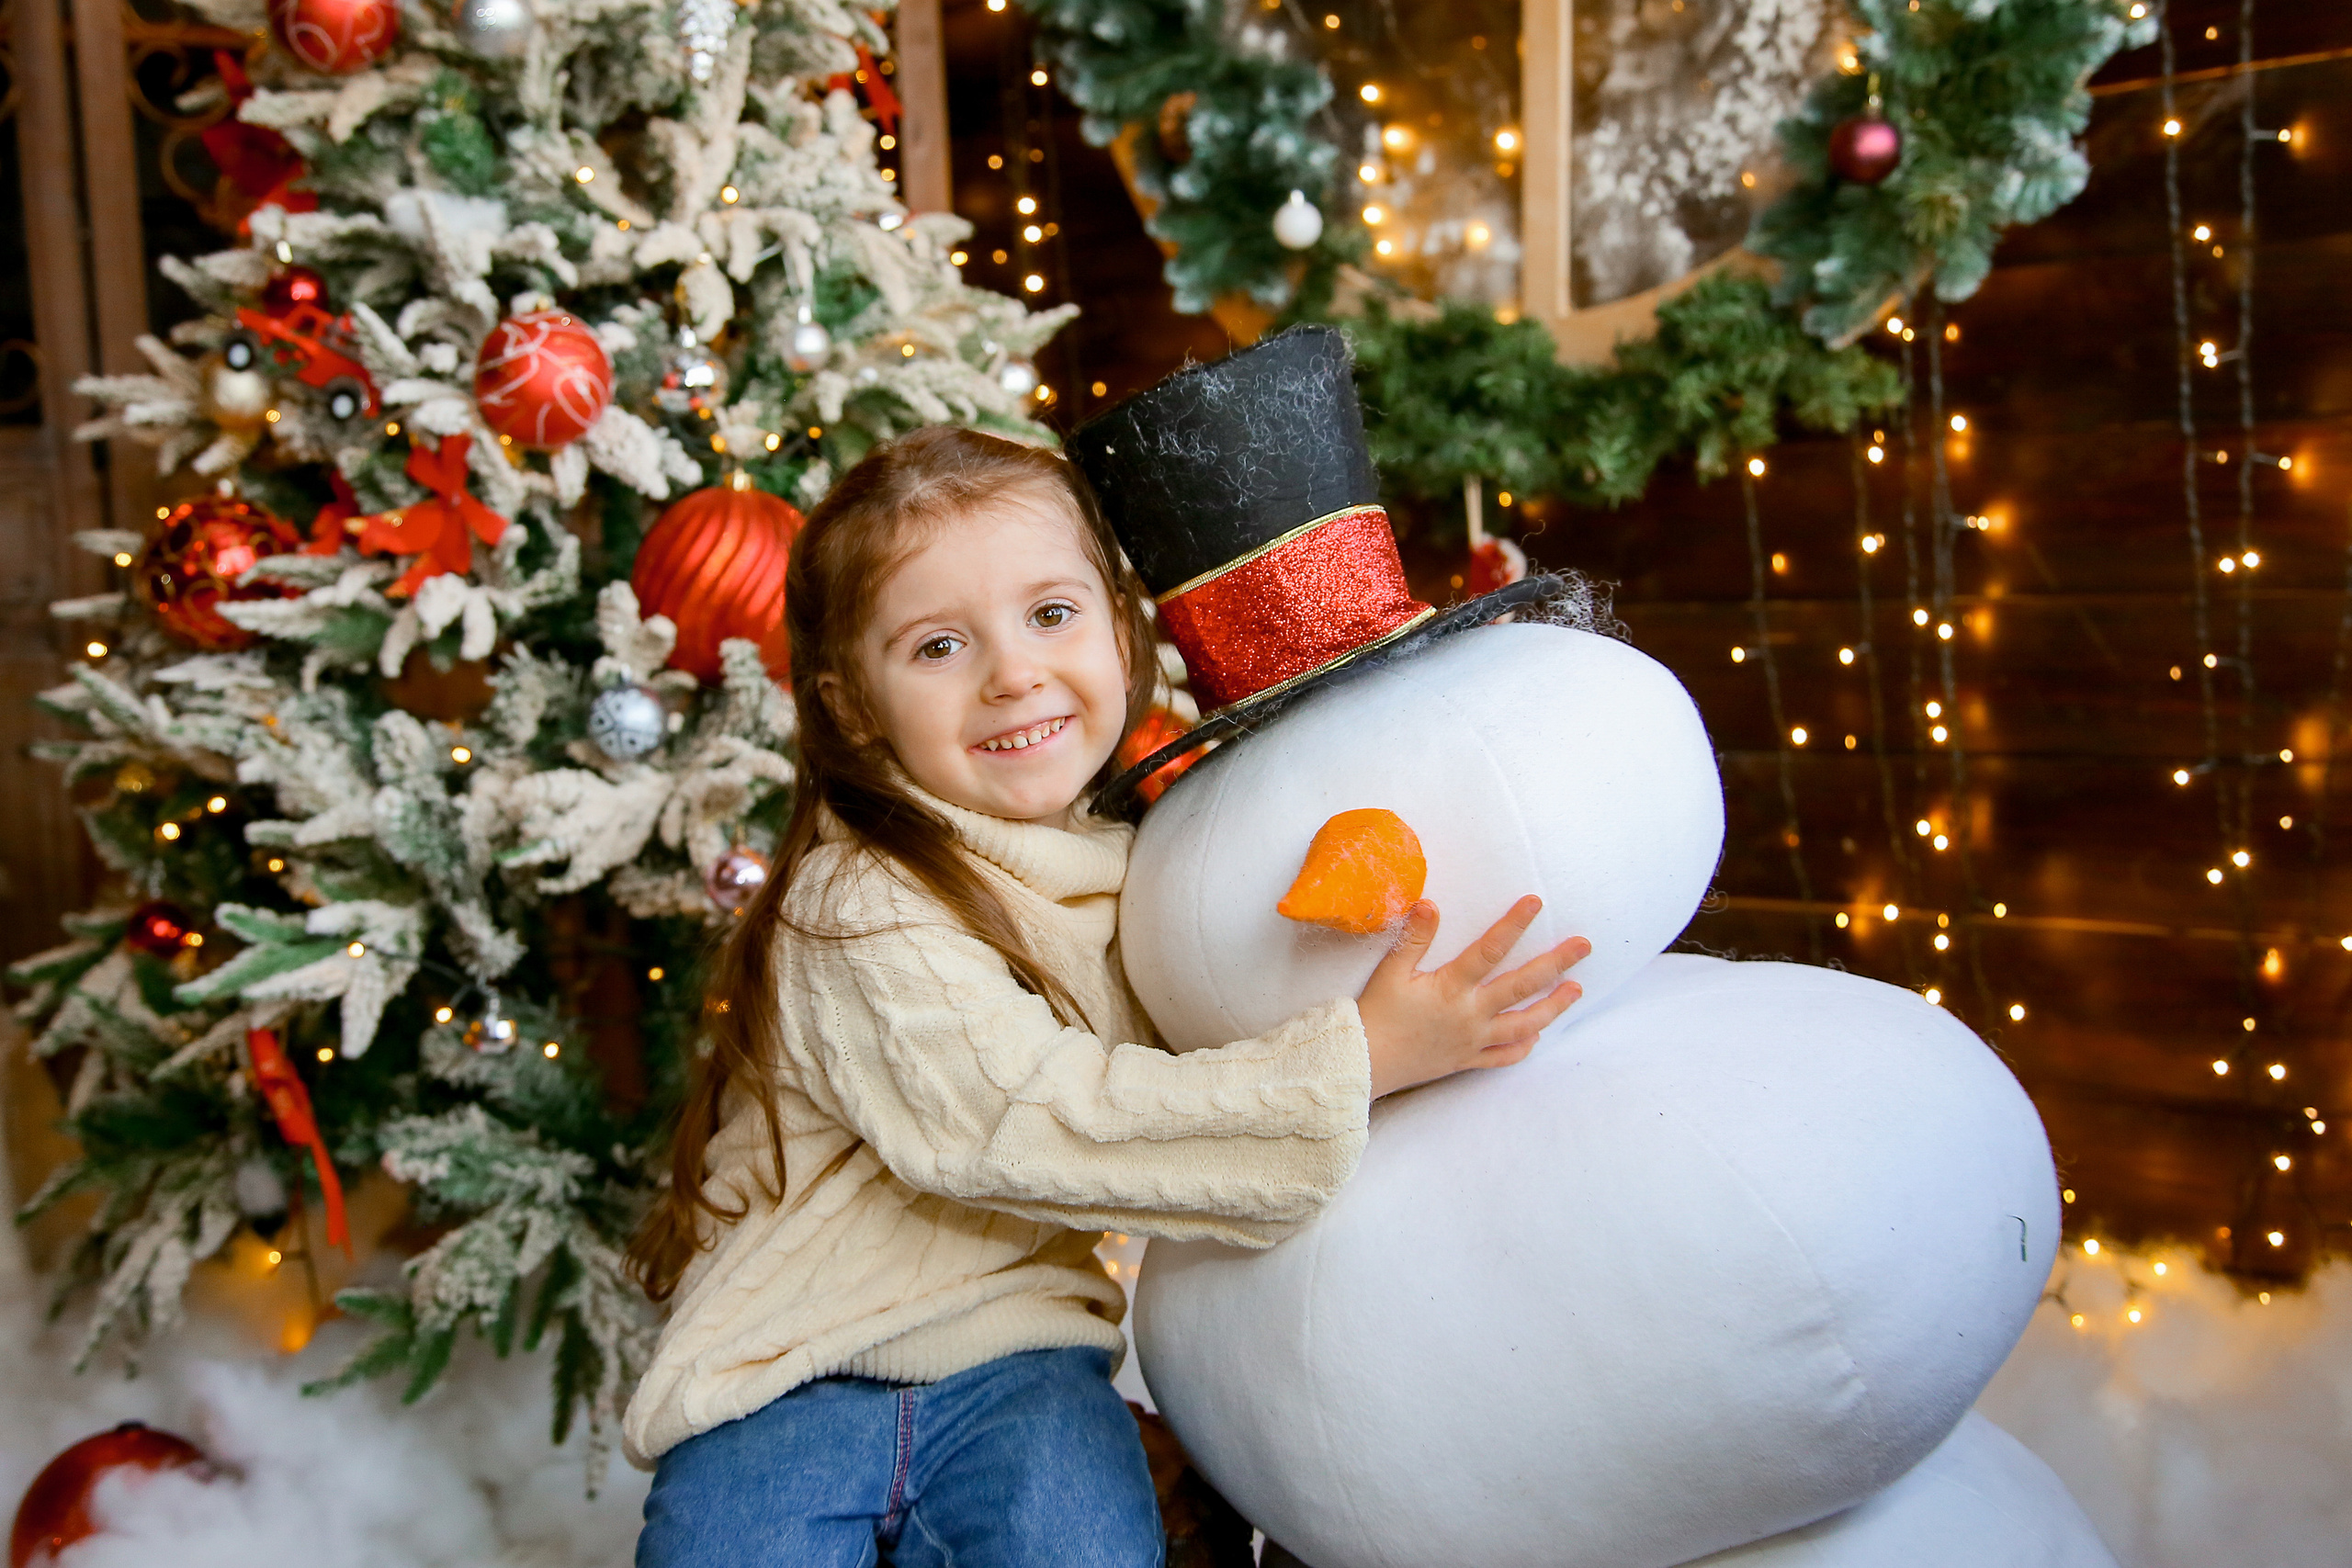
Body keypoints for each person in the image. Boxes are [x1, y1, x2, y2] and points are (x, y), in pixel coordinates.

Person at [623, 424, 1589, 1568]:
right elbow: (1008, 1121)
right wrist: (1357, 1061)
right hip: (792, 1367)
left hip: (1021, 1360)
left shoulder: (1139, 870)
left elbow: (1213, 1012)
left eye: (1050, 614)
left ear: (1120, 634)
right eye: (939, 646)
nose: (1012, 674)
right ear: (850, 704)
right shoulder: (855, 900)